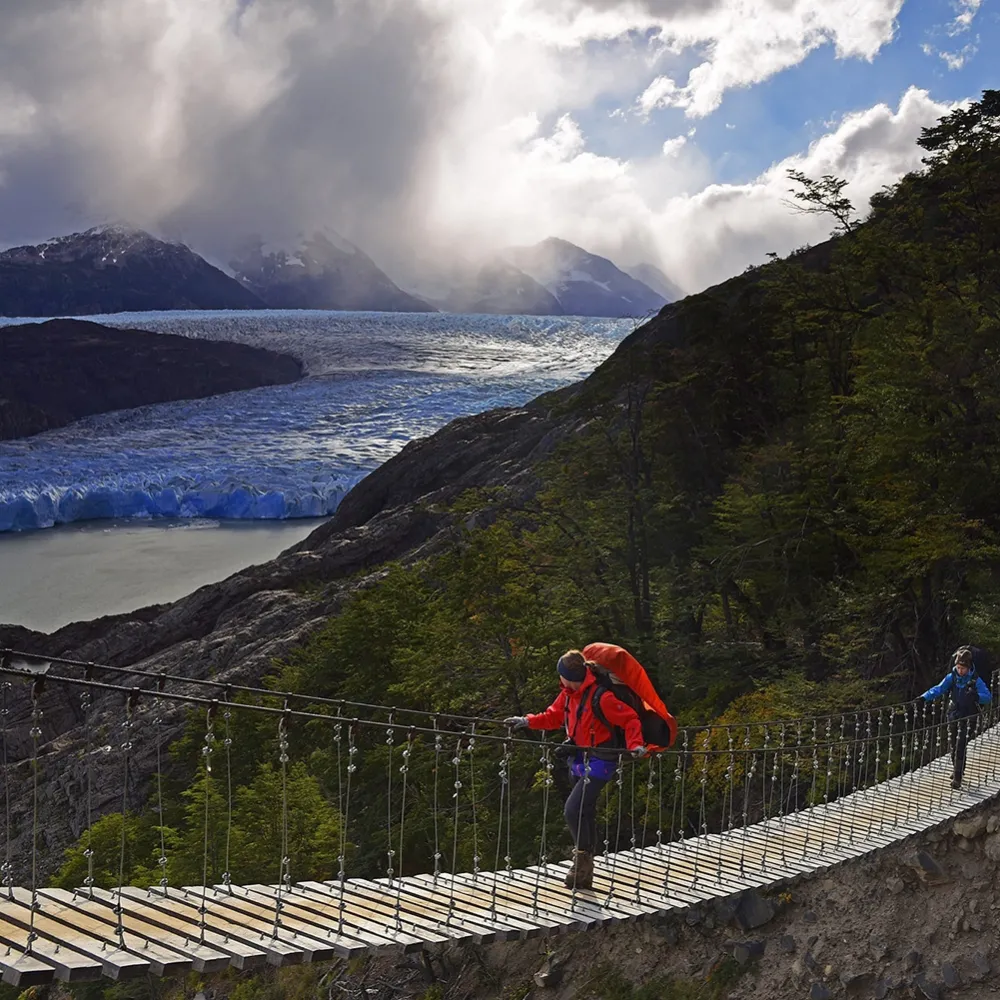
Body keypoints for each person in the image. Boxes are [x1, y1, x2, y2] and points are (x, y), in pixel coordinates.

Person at [504, 649, 646, 890]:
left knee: (573, 810)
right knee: (585, 811)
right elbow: (553, 717)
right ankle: (586, 871)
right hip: (578, 760)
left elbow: (630, 718)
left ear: (566, 677)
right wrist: (527, 721)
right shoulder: (569, 695)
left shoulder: (601, 697)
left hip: (601, 761)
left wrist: (635, 745)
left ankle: (580, 862)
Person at [921, 646, 992, 788]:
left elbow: (988, 697)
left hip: (969, 714)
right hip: (953, 712)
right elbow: (939, 688)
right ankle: (958, 769)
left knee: (961, 743)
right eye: (959, 667)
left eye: (963, 668)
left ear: (969, 667)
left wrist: (976, 696)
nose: (961, 671)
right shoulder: (952, 677)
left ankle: (958, 777)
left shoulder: (975, 679)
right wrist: (923, 698)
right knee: (953, 743)